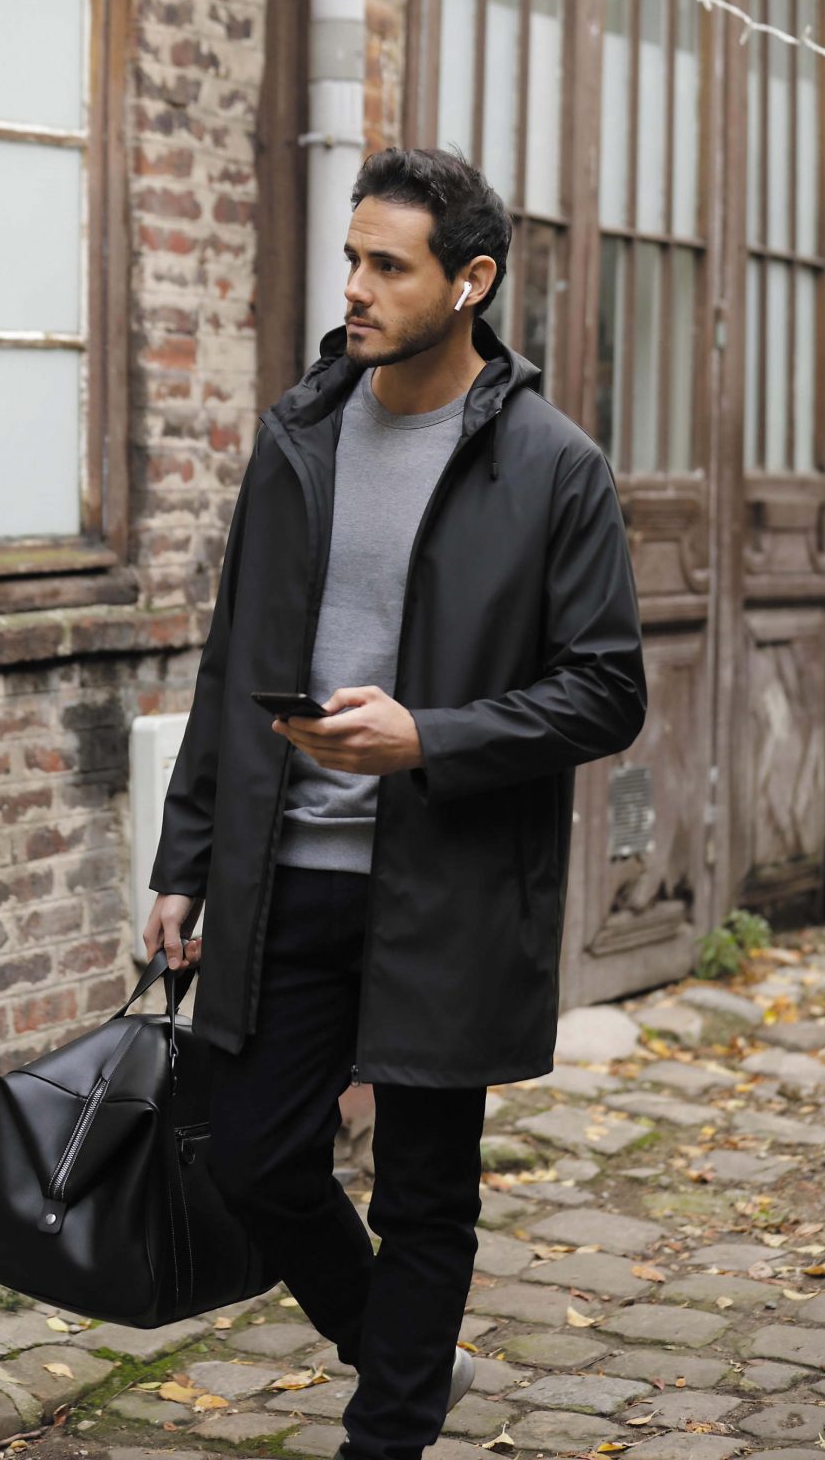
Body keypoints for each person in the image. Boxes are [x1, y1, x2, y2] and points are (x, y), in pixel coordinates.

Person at [144, 147, 646, 1460]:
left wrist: (432, 739)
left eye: (387, 265)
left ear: (471, 281)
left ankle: (389, 1432)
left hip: (450, 886)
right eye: (351, 258)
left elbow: (606, 693)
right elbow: (232, 661)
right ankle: (407, 1359)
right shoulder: (299, 436)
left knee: (425, 1195)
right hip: (287, 872)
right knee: (253, 1158)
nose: (355, 288)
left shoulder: (554, 467)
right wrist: (185, 858)